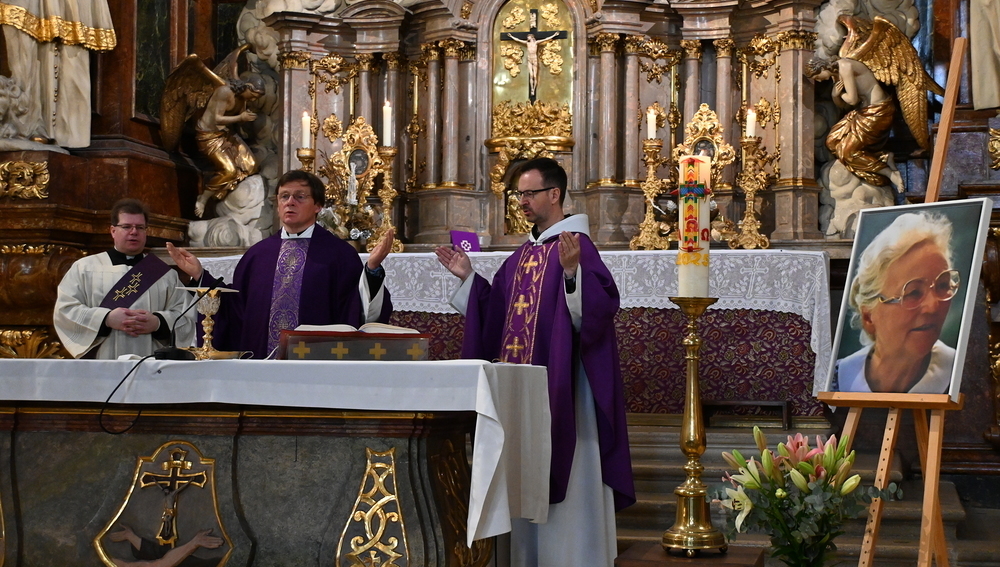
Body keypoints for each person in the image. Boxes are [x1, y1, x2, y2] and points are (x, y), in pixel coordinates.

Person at [434, 158, 634, 567]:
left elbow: (596, 315)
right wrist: (468, 278)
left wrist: (573, 273)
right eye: (518, 194)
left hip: (566, 392)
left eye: (528, 193)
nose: (521, 202)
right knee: (525, 471)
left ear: (554, 194)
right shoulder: (523, 254)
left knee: (569, 480)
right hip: (523, 398)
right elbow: (498, 315)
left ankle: (576, 558)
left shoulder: (577, 246)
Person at [168, 170, 395, 359]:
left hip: (317, 368)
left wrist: (372, 270)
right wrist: (200, 275)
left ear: (318, 205)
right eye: (284, 196)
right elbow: (235, 310)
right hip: (259, 367)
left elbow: (356, 310)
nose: (290, 202)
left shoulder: (339, 254)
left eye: (300, 196)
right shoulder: (258, 255)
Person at [836, 211, 960, 394]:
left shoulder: (964, 374)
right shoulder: (839, 380)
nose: (933, 306)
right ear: (869, 317)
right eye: (913, 292)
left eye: (943, 285)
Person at [53, 199, 195, 359]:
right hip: (102, 362)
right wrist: (106, 319)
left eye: (140, 227)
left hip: (152, 363)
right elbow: (65, 310)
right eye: (126, 226)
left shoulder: (164, 274)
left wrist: (158, 323)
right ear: (113, 231)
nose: (134, 232)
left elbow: (185, 316)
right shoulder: (85, 267)